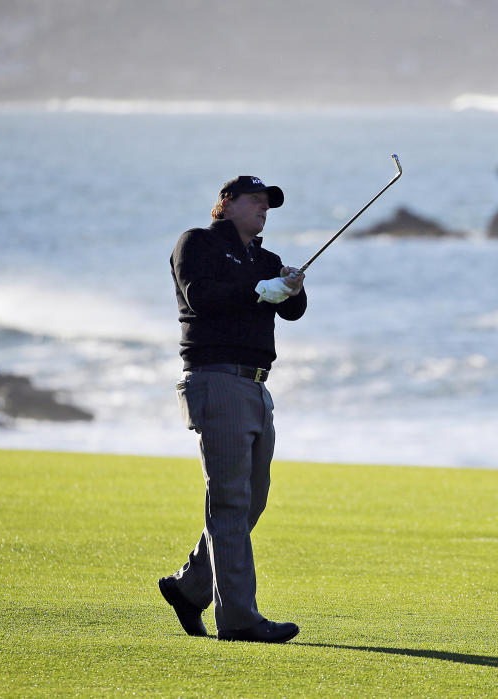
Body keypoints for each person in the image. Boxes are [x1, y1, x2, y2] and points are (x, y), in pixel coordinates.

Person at [158, 175, 306, 643]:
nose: (264, 208)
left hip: (257, 386)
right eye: (255, 200)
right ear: (226, 203)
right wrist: (260, 289)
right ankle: (239, 618)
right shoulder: (197, 243)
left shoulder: (265, 258)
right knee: (229, 500)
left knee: (251, 499)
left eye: (268, 203)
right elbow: (200, 297)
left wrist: (291, 288)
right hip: (215, 378)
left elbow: (293, 312)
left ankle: (189, 587)